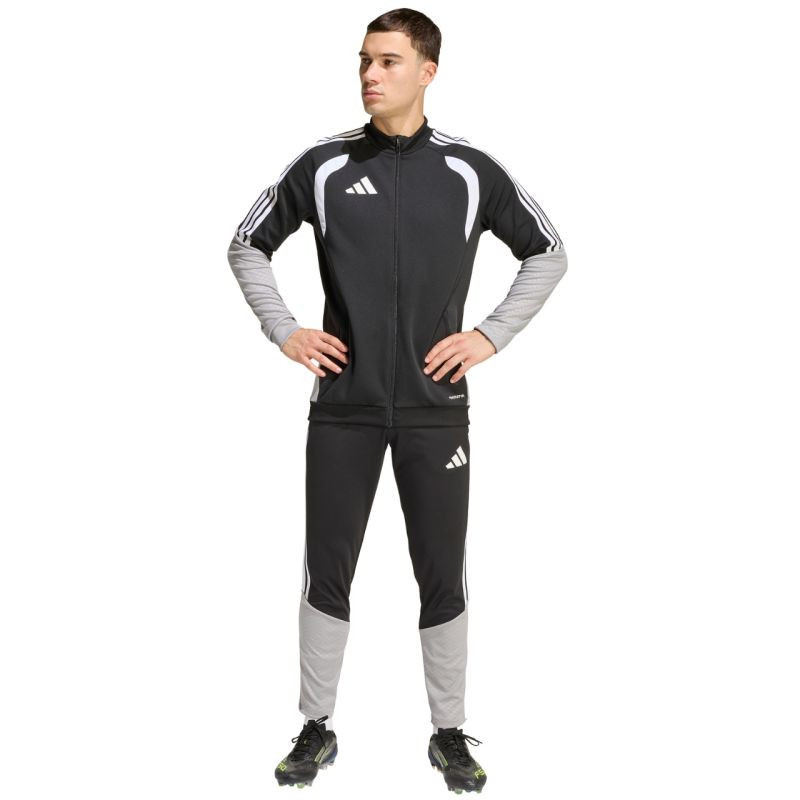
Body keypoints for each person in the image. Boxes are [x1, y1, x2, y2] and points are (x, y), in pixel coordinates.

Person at [226, 8, 567, 793]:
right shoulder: (323, 165)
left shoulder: (469, 170)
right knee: (326, 571)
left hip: (435, 412)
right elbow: (246, 243)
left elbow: (548, 251)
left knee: (443, 572)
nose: (370, 75)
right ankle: (316, 727)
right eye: (363, 61)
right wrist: (284, 329)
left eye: (387, 61)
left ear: (427, 71)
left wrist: (489, 335)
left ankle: (448, 734)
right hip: (342, 408)